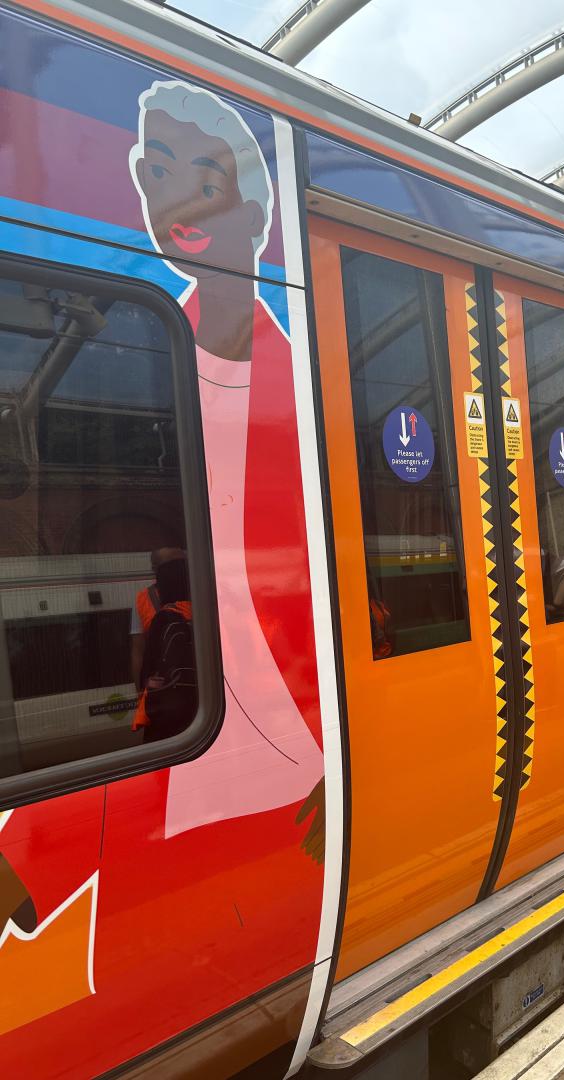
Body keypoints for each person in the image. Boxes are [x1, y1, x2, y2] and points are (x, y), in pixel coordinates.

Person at [130, 79, 324, 849]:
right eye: (159, 173)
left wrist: (326, 773)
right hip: (196, 757)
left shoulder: (300, 387)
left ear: (253, 212)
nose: (181, 204)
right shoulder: (147, 353)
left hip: (292, 764)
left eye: (208, 183)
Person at [140, 556, 196, 742]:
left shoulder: (164, 617)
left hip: (170, 709)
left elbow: (147, 667)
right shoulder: (205, 612)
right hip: (200, 703)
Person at [130, 546, 185, 732]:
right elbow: (138, 650)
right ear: (156, 569)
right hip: (165, 691)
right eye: (175, 564)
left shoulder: (204, 589)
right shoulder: (142, 599)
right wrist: (141, 691)